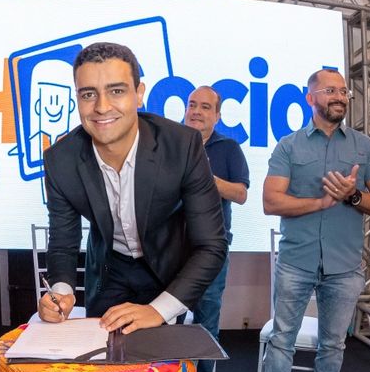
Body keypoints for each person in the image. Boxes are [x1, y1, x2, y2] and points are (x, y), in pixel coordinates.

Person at [37, 42, 228, 337]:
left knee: (159, 361)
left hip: (166, 271)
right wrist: (60, 292)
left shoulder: (182, 146)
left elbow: (211, 245)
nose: (102, 107)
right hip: (107, 270)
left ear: (139, 94)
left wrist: (158, 310)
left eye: (116, 91)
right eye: (88, 94)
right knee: (102, 357)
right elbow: (63, 241)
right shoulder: (60, 160)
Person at [250, 68, 370, 372]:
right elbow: (270, 201)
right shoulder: (289, 146)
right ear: (310, 98)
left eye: (343, 91)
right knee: (282, 339)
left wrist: (352, 196)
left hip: (345, 267)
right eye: (330, 90)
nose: (340, 96)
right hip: (296, 261)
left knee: (333, 345)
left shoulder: (364, 147)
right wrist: (321, 202)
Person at [183, 86, 249, 372]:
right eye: (192, 104)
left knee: (207, 320)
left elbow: (240, 194)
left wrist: (205, 178)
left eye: (205, 107)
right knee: (166, 321)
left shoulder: (229, 148)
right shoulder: (170, 143)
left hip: (212, 251)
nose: (196, 111)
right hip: (170, 249)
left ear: (218, 115)